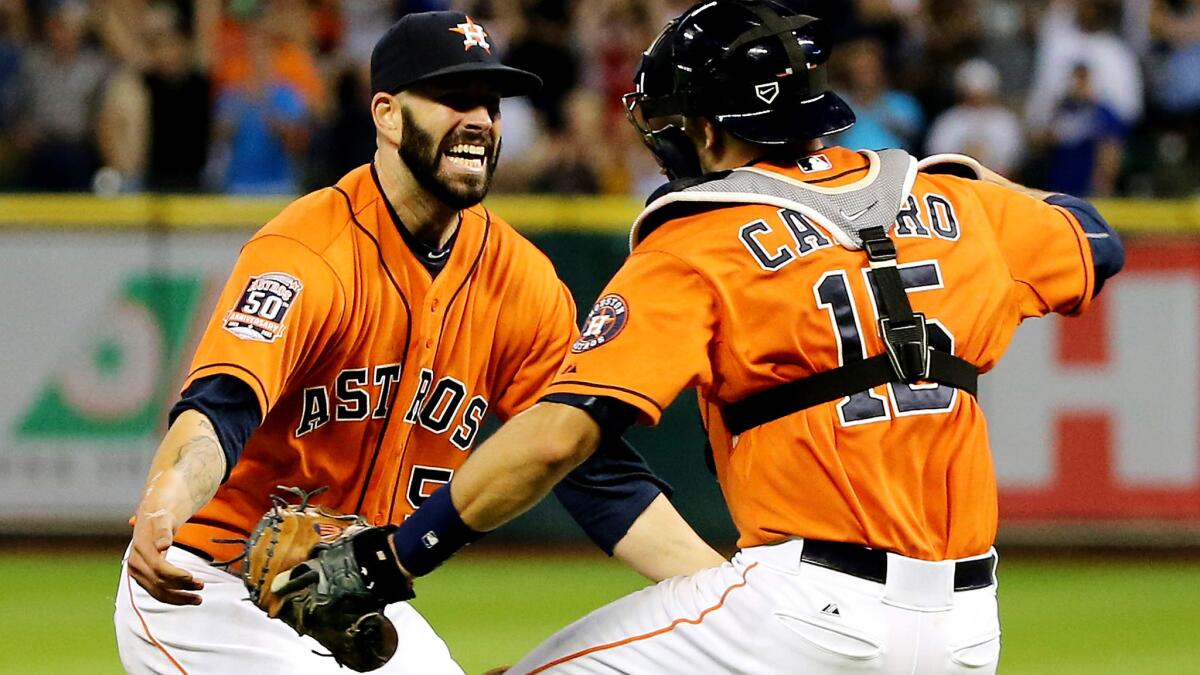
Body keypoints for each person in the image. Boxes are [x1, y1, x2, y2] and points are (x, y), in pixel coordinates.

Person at [282, 1, 1125, 673]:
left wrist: (396, 557)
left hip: (802, 610)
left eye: (678, 123)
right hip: (970, 630)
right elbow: (1094, 241)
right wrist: (978, 181)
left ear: (710, 130)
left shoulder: (701, 234)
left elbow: (558, 438)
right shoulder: (952, 199)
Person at [113, 11, 722, 674]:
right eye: (453, 99)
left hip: (350, 594)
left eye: (489, 104)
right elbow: (220, 407)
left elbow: (595, 472)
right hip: (210, 586)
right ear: (387, 114)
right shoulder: (307, 251)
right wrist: (168, 498)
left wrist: (732, 595)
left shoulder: (520, 282)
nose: (481, 121)